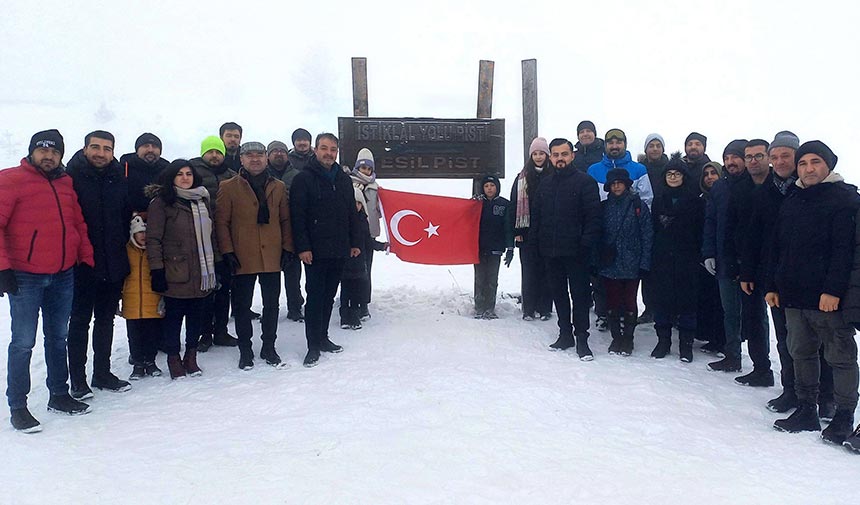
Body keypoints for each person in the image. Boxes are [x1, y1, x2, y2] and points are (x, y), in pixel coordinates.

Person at [1, 130, 95, 432]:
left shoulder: (66, 183)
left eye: (54, 152)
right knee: (23, 342)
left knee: (58, 337)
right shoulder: (10, 179)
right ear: (31, 152)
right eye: (42, 150)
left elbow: (76, 223)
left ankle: (59, 394)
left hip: (63, 274)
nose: (49, 156)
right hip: (25, 276)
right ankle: (18, 405)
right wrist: (3, 268)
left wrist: (86, 260)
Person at [767, 141, 860, 445]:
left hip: (828, 298)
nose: (808, 168)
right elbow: (779, 247)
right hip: (794, 296)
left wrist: (833, 290)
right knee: (800, 352)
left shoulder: (844, 199)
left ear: (828, 166)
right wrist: (774, 285)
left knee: (840, 356)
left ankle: (844, 415)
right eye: (803, 163)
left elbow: (843, 250)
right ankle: (807, 408)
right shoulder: (793, 199)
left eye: (815, 162)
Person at [65, 130, 132, 398]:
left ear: (113, 152)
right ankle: (78, 380)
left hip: (113, 260)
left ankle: (102, 372)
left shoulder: (119, 178)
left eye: (107, 148)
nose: (101, 153)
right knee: (80, 321)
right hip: (81, 264)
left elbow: (126, 214)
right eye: (95, 147)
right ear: (84, 149)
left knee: (105, 320)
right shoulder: (69, 178)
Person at [216, 142, 294, 370]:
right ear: (241, 159)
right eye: (249, 155)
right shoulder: (228, 186)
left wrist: (288, 247)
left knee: (271, 304)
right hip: (242, 255)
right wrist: (228, 251)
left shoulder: (278, 187)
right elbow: (222, 222)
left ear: (266, 158)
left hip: (272, 253)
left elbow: (285, 219)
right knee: (242, 306)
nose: (255, 159)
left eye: (259, 154)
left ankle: (269, 346)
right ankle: (245, 350)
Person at [290, 133, 362, 368]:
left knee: (329, 296)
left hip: (339, 248)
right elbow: (297, 217)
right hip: (315, 251)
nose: (329, 153)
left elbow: (351, 212)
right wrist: (303, 247)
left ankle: (323, 338)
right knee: (315, 297)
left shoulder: (342, 179)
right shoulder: (304, 179)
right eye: (324, 148)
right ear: (315, 150)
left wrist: (355, 242)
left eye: (333, 149)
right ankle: (312, 345)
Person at [530, 138, 602, 360]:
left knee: (579, 296)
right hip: (551, 252)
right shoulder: (545, 184)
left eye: (564, 154)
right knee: (559, 294)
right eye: (555, 155)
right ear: (551, 157)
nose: (559, 158)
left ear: (572, 156)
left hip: (577, 252)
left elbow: (593, 218)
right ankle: (565, 334)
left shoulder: (585, 182)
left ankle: (582, 338)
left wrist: (585, 244)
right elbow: (537, 218)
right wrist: (536, 244)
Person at [147, 160, 217, 379]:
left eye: (189, 173)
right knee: (174, 319)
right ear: (171, 177)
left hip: (201, 271)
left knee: (196, 317)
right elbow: (153, 239)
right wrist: (157, 270)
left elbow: (210, 235)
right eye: (179, 174)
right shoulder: (161, 202)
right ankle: (173, 358)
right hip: (175, 271)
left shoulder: (202, 199)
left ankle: (191, 355)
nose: (185, 178)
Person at [649, 154, 705, 362]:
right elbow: (654, 228)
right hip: (662, 258)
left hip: (687, 258)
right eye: (669, 174)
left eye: (677, 173)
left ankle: (686, 345)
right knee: (662, 302)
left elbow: (700, 230)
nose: (673, 177)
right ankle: (663, 341)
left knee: (687, 302)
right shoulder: (659, 199)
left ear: (684, 176)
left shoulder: (694, 201)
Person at [702, 139, 748, 373]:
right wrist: (709, 252)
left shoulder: (755, 184)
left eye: (735, 157)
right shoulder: (719, 187)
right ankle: (733, 356)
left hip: (750, 260)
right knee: (730, 311)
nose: (730, 162)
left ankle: (762, 366)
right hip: (724, 258)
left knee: (754, 315)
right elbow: (710, 222)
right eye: (727, 158)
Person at [190, 135, 239, 351]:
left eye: (218, 152)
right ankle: (204, 333)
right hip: (200, 241)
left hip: (225, 241)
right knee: (204, 291)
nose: (214, 155)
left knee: (224, 289)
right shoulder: (192, 173)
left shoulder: (232, 175)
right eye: (210, 151)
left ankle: (221, 330)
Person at [597, 168, 652, 356]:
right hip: (609, 263)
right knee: (612, 302)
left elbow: (647, 235)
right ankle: (616, 338)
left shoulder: (638, 206)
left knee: (629, 302)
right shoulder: (603, 208)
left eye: (620, 182)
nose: (617, 186)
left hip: (632, 263)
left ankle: (628, 338)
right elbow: (598, 235)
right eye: (613, 183)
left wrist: (645, 263)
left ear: (627, 184)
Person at [510, 137, 553, 321]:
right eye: (535, 154)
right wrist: (517, 232)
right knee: (529, 270)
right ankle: (528, 308)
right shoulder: (521, 178)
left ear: (547, 155)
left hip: (548, 231)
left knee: (547, 270)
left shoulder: (553, 176)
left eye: (541, 153)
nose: (538, 157)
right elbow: (514, 205)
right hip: (526, 231)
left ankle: (545, 308)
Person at [121, 215, 163, 380]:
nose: (143, 236)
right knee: (134, 335)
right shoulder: (126, 251)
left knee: (151, 334)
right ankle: (138, 363)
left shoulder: (154, 252)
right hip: (131, 302)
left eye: (146, 232)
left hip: (152, 300)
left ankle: (150, 361)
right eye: (140, 232)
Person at [340, 187, 388, 329]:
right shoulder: (341, 220)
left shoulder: (363, 221)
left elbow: (368, 241)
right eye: (353, 202)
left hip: (360, 263)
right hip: (344, 261)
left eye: (359, 203)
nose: (356, 206)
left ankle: (354, 315)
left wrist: (381, 246)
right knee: (345, 289)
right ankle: (344, 316)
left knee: (357, 289)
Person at [268, 139, 305, 322]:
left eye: (282, 151)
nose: (279, 154)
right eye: (274, 151)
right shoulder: (261, 175)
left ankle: (295, 306)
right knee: (269, 275)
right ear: (268, 155)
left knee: (293, 273)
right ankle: (270, 309)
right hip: (267, 231)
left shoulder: (297, 175)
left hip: (291, 229)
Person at [637, 133, 668, 324]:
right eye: (651, 146)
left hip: (666, 222)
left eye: (658, 145)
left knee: (665, 269)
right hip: (645, 222)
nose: (655, 149)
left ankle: (666, 309)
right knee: (647, 268)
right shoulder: (641, 169)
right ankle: (649, 307)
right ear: (646, 149)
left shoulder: (671, 168)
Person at [472, 174, 512, 320]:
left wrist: (510, 248)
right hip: (478, 248)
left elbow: (508, 227)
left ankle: (490, 308)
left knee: (492, 279)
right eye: (486, 186)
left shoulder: (504, 204)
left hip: (496, 248)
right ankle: (479, 307)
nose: (489, 188)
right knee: (480, 277)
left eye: (492, 185)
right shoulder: (477, 204)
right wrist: (472, 203)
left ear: (497, 187)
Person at [697, 161, 726, 355]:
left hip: (723, 254)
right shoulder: (700, 199)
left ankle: (725, 341)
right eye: (706, 174)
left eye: (713, 173)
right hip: (703, 255)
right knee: (709, 299)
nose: (709, 177)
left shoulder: (727, 196)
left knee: (723, 302)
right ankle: (713, 338)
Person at [350, 148, 382, 321]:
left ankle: (364, 303)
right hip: (352, 235)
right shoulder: (348, 183)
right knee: (353, 271)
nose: (366, 171)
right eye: (363, 168)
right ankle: (349, 303)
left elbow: (383, 210)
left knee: (366, 270)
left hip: (370, 234)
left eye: (369, 169)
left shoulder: (376, 188)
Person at [122, 132, 169, 214]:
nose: (150, 150)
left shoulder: (168, 171)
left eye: (154, 146)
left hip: (161, 221)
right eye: (145, 146)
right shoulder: (123, 168)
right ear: (137, 150)